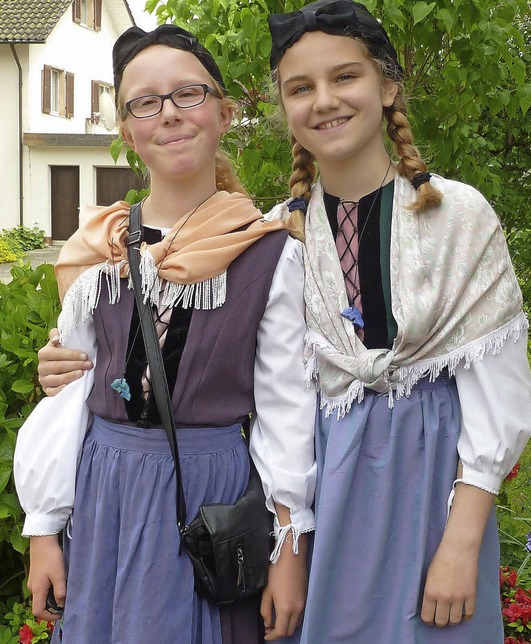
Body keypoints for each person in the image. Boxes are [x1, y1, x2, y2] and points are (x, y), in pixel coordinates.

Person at [38, 2, 531, 641]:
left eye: (346, 77)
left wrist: (462, 542)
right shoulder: (284, 232)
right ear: (284, 108)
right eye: (301, 88)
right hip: (320, 480)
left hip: (425, 485)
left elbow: (499, 394)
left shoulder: (454, 216)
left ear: (388, 86)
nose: (324, 101)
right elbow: (265, 387)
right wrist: (63, 359)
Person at [14, 24, 316, 644]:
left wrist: (288, 550)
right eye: (145, 102)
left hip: (204, 498)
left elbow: (287, 412)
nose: (170, 114)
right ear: (127, 131)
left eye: (189, 94)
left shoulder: (267, 254)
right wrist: (44, 527)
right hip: (106, 496)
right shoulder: (97, 247)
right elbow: (68, 393)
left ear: (224, 112)